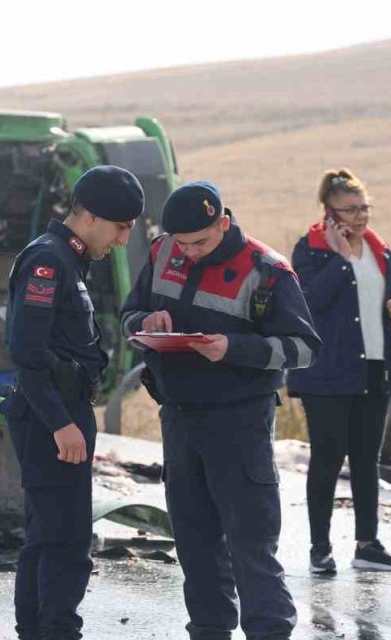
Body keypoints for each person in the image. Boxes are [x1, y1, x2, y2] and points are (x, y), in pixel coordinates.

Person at [120, 181, 320, 640]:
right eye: (181, 243)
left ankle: (269, 632)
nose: (188, 252)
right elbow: (130, 314)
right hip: (178, 417)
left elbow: (305, 349)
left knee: (250, 541)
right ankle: (208, 631)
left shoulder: (267, 270)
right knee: (193, 540)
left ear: (223, 223)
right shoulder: (161, 252)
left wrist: (235, 348)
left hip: (239, 422)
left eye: (201, 242)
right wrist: (145, 323)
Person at [0, 165, 144, 640]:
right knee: (67, 543)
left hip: (58, 413)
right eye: (122, 228)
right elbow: (27, 353)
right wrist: (61, 423)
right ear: (94, 218)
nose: (123, 240)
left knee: (47, 538)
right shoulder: (49, 261)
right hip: (50, 418)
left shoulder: (69, 260)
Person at [287, 168, 391, 574]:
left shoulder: (379, 249)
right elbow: (307, 305)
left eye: (364, 208)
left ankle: (367, 545)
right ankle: (319, 548)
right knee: (327, 458)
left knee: (365, 460)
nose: (360, 217)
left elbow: (375, 308)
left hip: (373, 367)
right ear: (329, 211)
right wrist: (341, 262)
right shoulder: (310, 250)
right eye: (351, 209)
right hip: (327, 373)